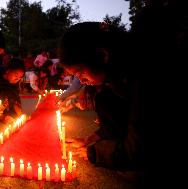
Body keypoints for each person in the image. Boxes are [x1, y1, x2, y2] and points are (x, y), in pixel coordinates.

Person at [58, 22, 143, 172]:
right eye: (76, 76)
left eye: (81, 73)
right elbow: (114, 124)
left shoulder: (142, 80)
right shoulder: (111, 82)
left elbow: (138, 149)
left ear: (102, 56)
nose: (82, 81)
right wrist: (90, 139)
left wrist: (95, 152)